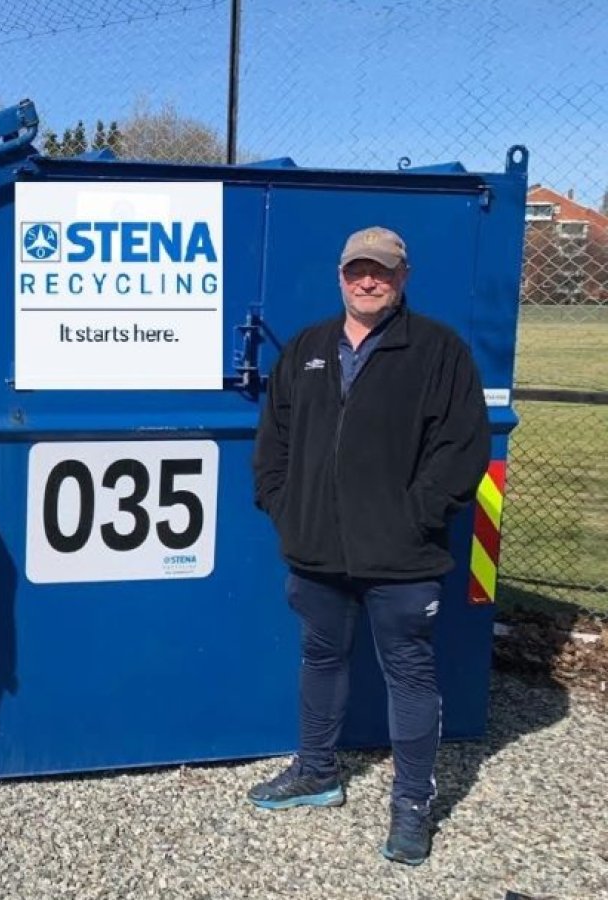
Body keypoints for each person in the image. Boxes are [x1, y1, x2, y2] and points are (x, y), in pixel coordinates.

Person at [248, 226, 490, 866]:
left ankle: (411, 806)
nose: (368, 280)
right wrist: (284, 506)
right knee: (321, 656)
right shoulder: (307, 348)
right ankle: (316, 771)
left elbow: (462, 449)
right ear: (341, 275)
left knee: (409, 673)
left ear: (402, 277)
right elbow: (274, 440)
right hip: (315, 550)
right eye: (358, 269)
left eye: (381, 270)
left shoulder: (438, 351)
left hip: (402, 556)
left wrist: (414, 517)